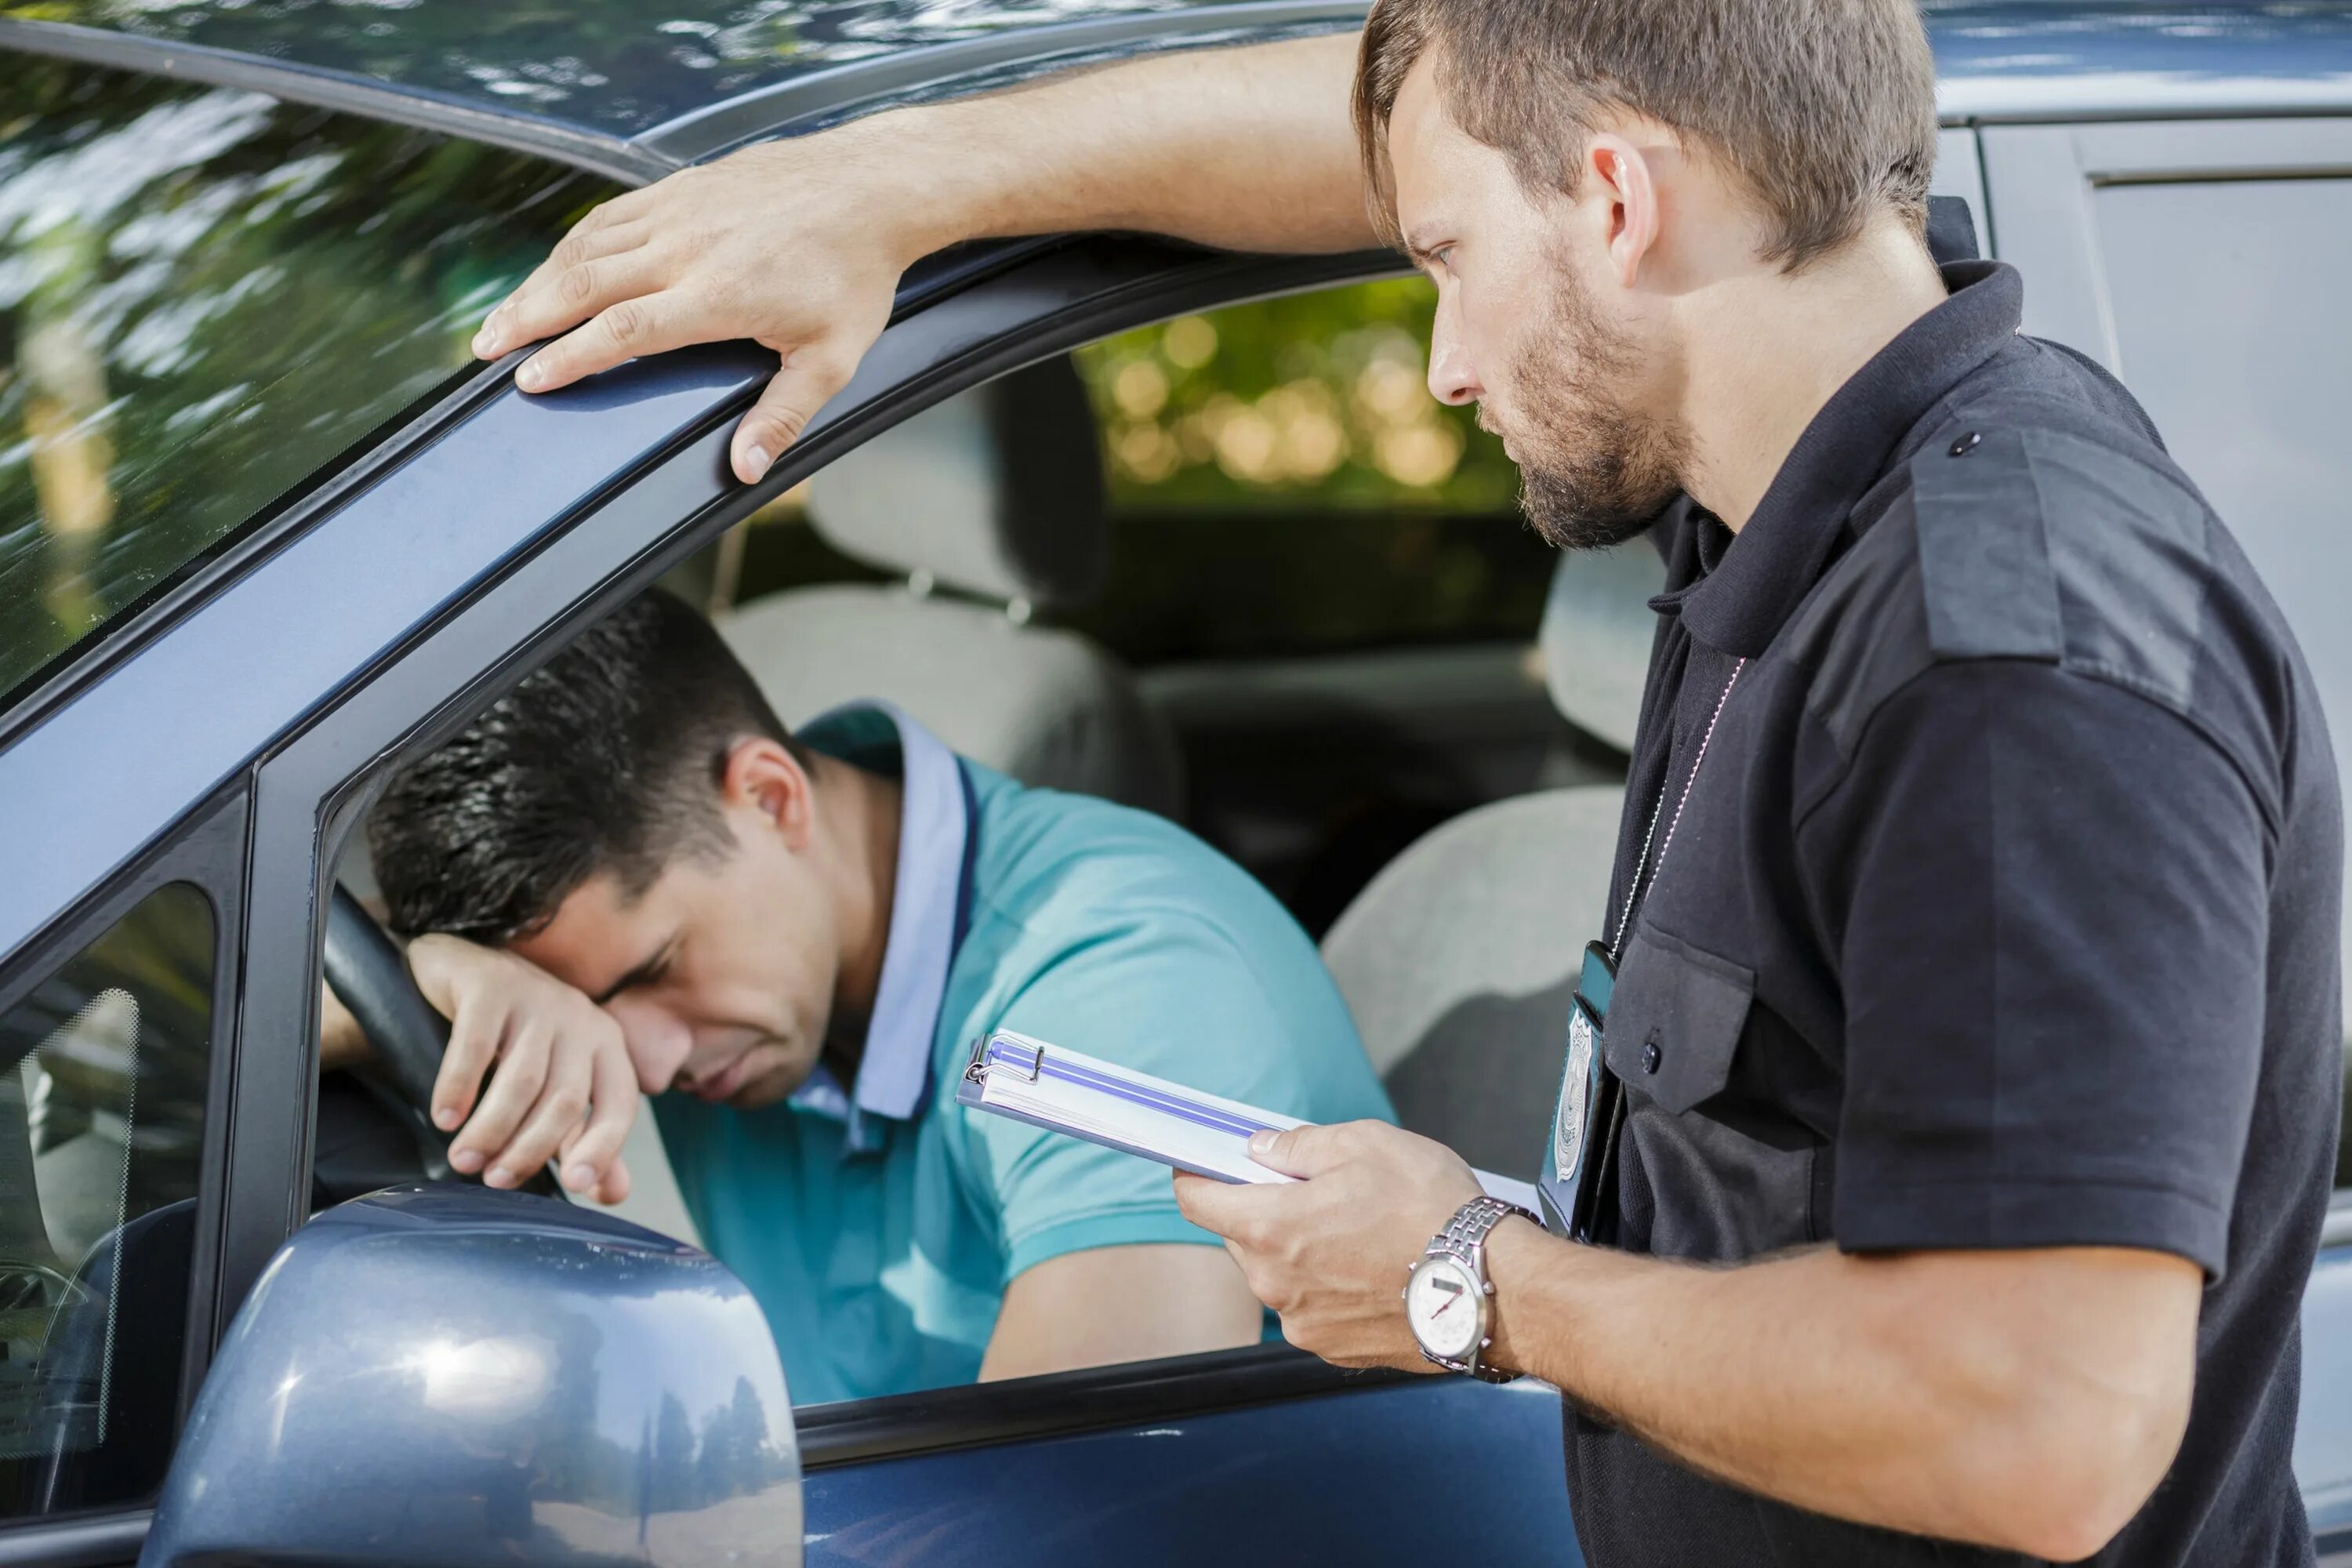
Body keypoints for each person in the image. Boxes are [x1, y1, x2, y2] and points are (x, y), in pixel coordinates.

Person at [464, 2, 2345, 1563]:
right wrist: (895, 187)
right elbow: (1398, 123)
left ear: (1618, 197)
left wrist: (1474, 1276)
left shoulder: (2008, 659)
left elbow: (2046, 1418)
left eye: (1441, 260)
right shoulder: (1777, 502)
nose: (1437, 360)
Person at [339, 589, 1393, 1404]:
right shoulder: (723, 973)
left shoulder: (1123, 982)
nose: (643, 1067)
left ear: (769, 797)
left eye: (654, 970)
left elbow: (1056, 1520)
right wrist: (440, 976)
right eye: (576, 1004)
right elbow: (264, 998)